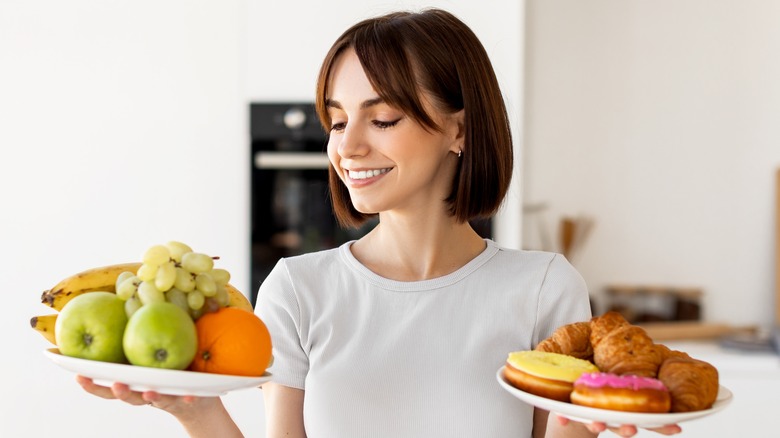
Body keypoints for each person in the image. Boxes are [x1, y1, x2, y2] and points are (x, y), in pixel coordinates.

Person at [77, 8, 682, 438]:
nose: (348, 147)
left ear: (459, 130)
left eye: (383, 118)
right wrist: (194, 413)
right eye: (338, 121)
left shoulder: (545, 288)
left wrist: (591, 423)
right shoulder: (297, 289)